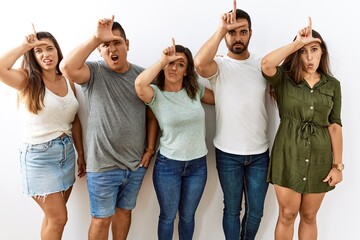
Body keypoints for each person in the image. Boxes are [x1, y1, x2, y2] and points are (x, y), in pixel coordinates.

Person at [60, 15, 158, 240]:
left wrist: (149, 150)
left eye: (117, 43)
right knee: (101, 219)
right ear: (99, 50)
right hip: (103, 165)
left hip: (134, 165)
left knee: (124, 212)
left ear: (127, 45)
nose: (112, 49)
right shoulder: (94, 72)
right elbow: (66, 67)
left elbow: (152, 116)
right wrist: (96, 38)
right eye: (106, 45)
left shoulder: (142, 77)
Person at [261, 17, 343, 240]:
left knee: (309, 216)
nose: (309, 57)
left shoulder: (332, 85)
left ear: (322, 52)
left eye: (314, 50)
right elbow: (266, 64)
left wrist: (338, 166)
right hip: (287, 154)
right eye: (303, 51)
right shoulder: (285, 80)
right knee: (287, 215)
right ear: (297, 54)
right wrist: (297, 43)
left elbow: (335, 125)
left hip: (319, 157)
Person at [0, 27, 86, 240]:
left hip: (66, 154)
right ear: (33, 57)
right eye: (39, 51)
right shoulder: (27, 80)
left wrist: (81, 153)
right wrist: (24, 46)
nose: (45, 54)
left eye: (49, 48)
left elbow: (74, 120)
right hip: (39, 157)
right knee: (58, 218)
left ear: (57, 51)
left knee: (52, 219)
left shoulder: (68, 80)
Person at [194, 1, 270, 239]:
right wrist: (220, 29)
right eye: (232, 32)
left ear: (250, 33)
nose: (238, 37)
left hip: (260, 152)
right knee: (232, 209)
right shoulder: (219, 65)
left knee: (256, 211)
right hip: (227, 152)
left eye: (243, 31)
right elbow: (198, 64)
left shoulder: (262, 64)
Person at [134, 38, 214, 240]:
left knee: (187, 217)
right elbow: (139, 83)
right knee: (168, 217)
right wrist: (162, 60)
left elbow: (224, 97)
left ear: (186, 71)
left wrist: (221, 67)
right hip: (168, 165)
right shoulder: (156, 94)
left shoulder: (195, 91)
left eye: (180, 65)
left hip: (197, 165)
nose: (174, 68)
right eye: (171, 63)